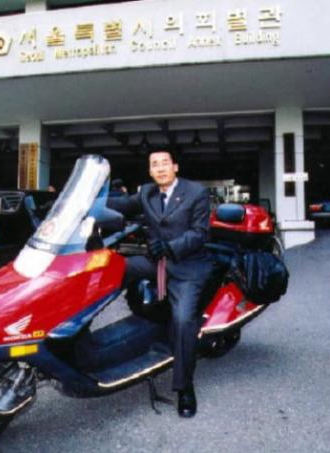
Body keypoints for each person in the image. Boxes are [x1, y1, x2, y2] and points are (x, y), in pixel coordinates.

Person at [108, 149, 213, 418]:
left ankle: (184, 387)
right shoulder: (147, 192)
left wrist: (169, 246)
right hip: (157, 261)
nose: (160, 168)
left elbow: (199, 233)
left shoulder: (196, 192)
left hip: (188, 266)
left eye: (165, 163)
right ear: (150, 171)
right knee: (111, 270)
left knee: (183, 320)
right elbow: (120, 205)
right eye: (155, 164)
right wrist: (78, 204)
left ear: (175, 167)